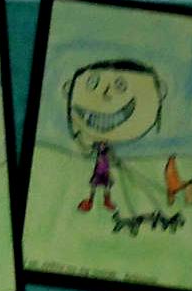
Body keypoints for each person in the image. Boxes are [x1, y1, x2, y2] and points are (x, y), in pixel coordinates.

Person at [63, 60, 164, 214]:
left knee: (106, 186)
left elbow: (107, 155)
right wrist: (80, 139)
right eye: (92, 83)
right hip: (100, 170)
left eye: (120, 85)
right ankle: (91, 201)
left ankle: (106, 200)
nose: (105, 93)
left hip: (105, 170)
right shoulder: (98, 146)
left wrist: (114, 160)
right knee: (95, 185)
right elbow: (88, 150)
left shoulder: (105, 148)